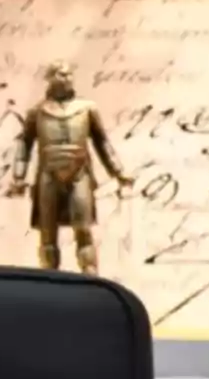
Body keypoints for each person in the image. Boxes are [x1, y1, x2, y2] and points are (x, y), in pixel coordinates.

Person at [8, 60, 134, 274]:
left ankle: (90, 275)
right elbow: (24, 145)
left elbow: (102, 142)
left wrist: (119, 172)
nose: (66, 78)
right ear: (49, 78)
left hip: (80, 174)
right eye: (59, 74)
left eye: (68, 74)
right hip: (48, 175)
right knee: (47, 233)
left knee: (83, 229)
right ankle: (50, 279)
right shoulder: (37, 112)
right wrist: (18, 177)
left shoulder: (87, 109)